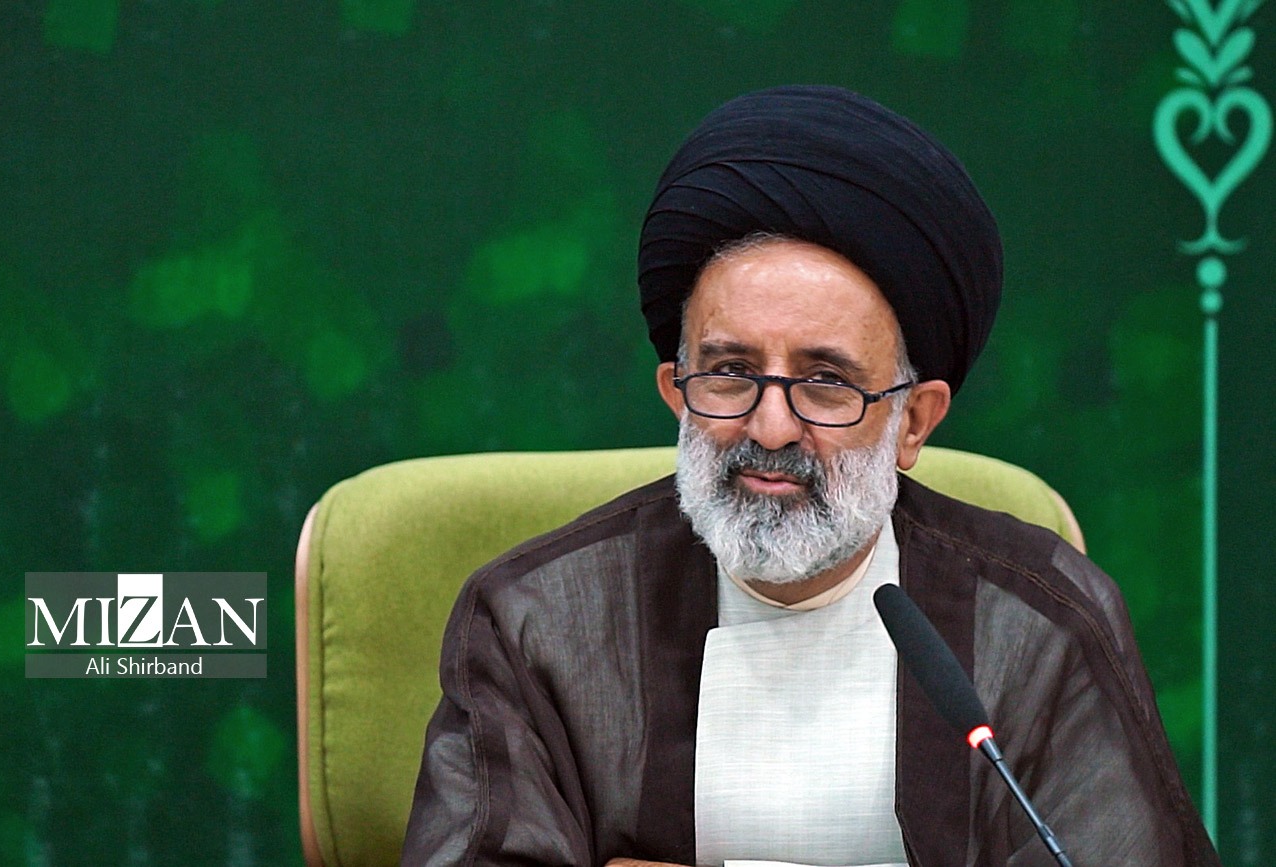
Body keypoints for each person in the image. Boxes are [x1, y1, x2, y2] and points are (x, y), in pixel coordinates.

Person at [402, 86, 1219, 866]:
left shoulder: (1041, 623)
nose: (770, 427)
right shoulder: (538, 623)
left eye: (826, 383)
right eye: (730, 372)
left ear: (914, 421)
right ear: (676, 393)